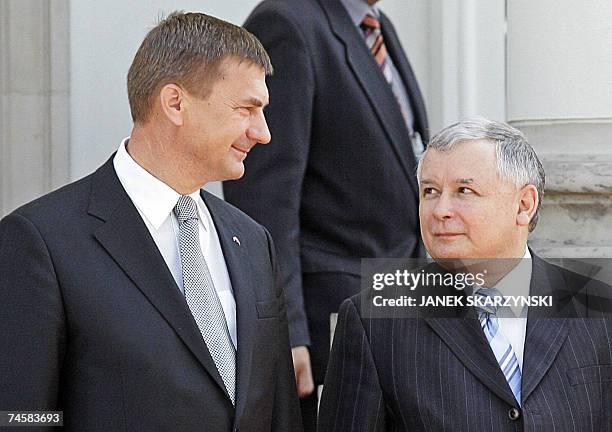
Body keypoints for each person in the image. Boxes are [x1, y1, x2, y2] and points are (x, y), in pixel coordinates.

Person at [0, 12, 302, 432]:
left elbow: (279, 413)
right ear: (175, 102)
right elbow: (21, 417)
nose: (263, 132)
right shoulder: (41, 242)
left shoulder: (253, 242)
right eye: (246, 109)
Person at [318, 118, 612, 431]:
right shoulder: (373, 322)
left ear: (524, 205)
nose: (440, 209)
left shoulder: (597, 306)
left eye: (464, 190)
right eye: (430, 191)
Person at [223, 0, 428, 428]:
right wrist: (288, 330)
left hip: (393, 306)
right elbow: (264, 195)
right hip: (325, 323)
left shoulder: (377, 25)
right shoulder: (286, 23)